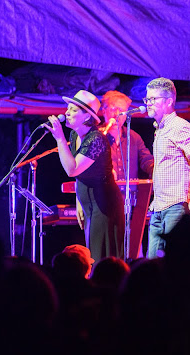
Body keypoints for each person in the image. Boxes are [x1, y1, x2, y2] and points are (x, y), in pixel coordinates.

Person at [44, 90, 125, 261]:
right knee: (92, 250)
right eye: (68, 108)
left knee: (100, 255)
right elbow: (79, 174)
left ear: (87, 116)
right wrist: (78, 201)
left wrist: (59, 139)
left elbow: (71, 169)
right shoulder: (75, 135)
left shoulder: (96, 139)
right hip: (87, 200)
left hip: (103, 202)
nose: (66, 112)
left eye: (73, 110)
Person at [145, 78, 190, 259]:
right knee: (153, 261)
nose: (148, 104)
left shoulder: (180, 127)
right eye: (147, 99)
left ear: (169, 101)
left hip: (176, 205)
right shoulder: (159, 128)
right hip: (158, 206)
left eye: (153, 99)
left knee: (174, 259)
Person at [99, 90, 154, 180]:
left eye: (121, 110)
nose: (117, 114)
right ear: (104, 111)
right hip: (104, 191)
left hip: (129, 192)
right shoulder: (96, 136)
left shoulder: (134, 137)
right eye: (113, 109)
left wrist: (155, 168)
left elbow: (146, 160)